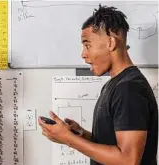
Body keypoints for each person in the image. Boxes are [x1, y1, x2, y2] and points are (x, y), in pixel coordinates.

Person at [39, 4, 158, 165]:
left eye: (87, 45)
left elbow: (128, 160)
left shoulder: (129, 89)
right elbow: (112, 144)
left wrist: (68, 139)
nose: (83, 54)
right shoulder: (114, 85)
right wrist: (80, 135)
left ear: (111, 42)